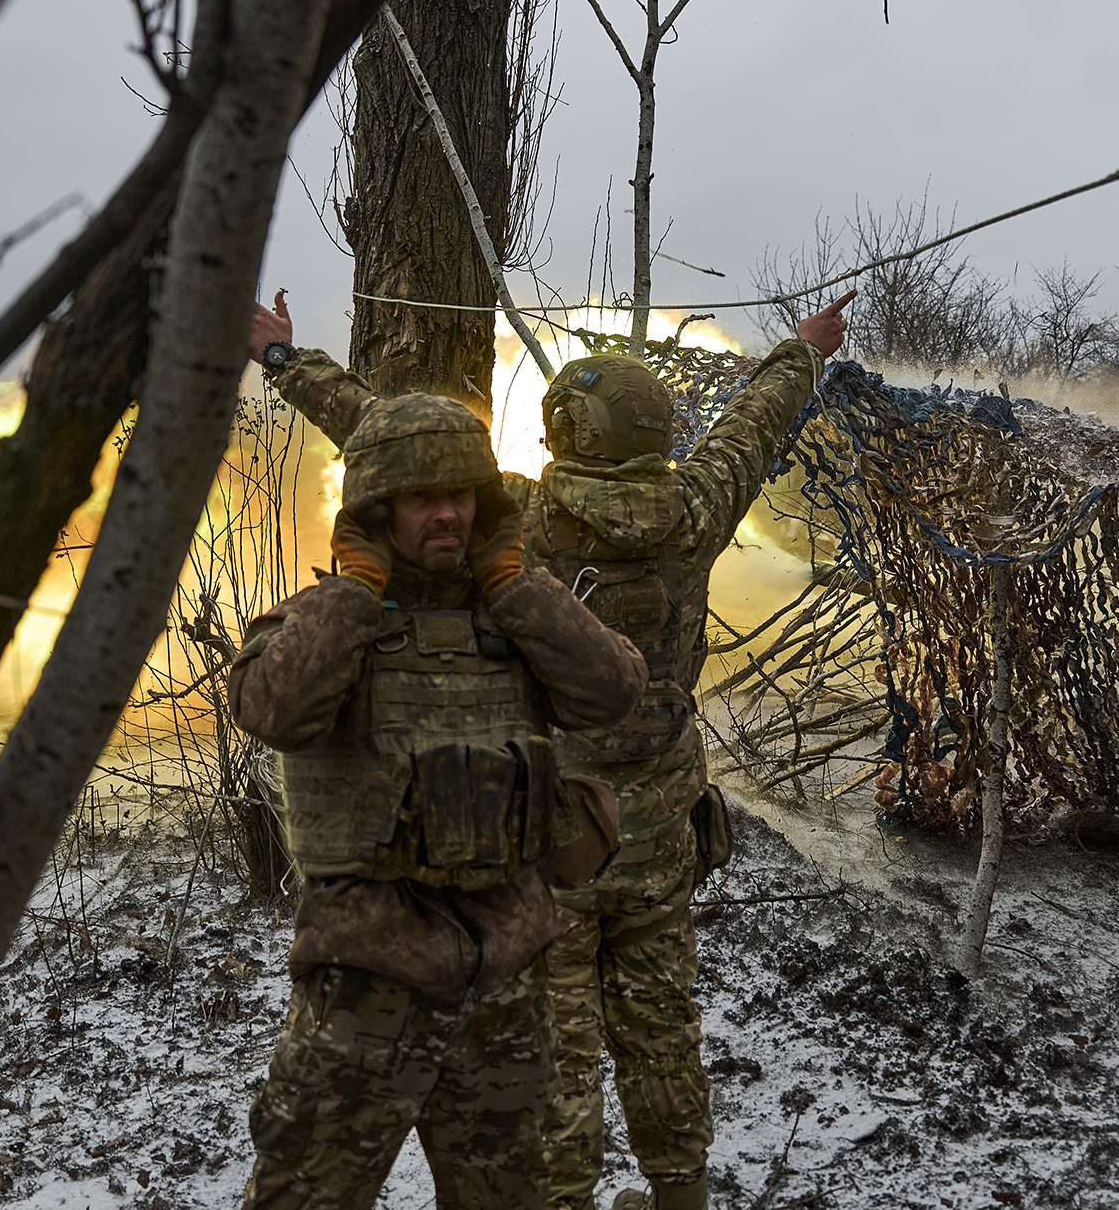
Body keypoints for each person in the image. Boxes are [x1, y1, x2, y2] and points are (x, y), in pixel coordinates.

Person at [247, 289, 852, 1210]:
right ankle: (679, 1193)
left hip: (552, 832)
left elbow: (391, 436)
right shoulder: (695, 506)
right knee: (662, 1028)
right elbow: (753, 424)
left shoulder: (522, 516)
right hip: (660, 834)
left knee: (561, 1051)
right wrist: (804, 351)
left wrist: (289, 364)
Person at [228, 390, 647, 1210]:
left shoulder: (518, 614)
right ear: (378, 509)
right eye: (423, 497)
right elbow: (270, 708)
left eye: (460, 494)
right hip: (364, 989)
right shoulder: (331, 617)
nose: (447, 514)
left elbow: (613, 692)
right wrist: (355, 593)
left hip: (503, 985)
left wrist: (518, 588)